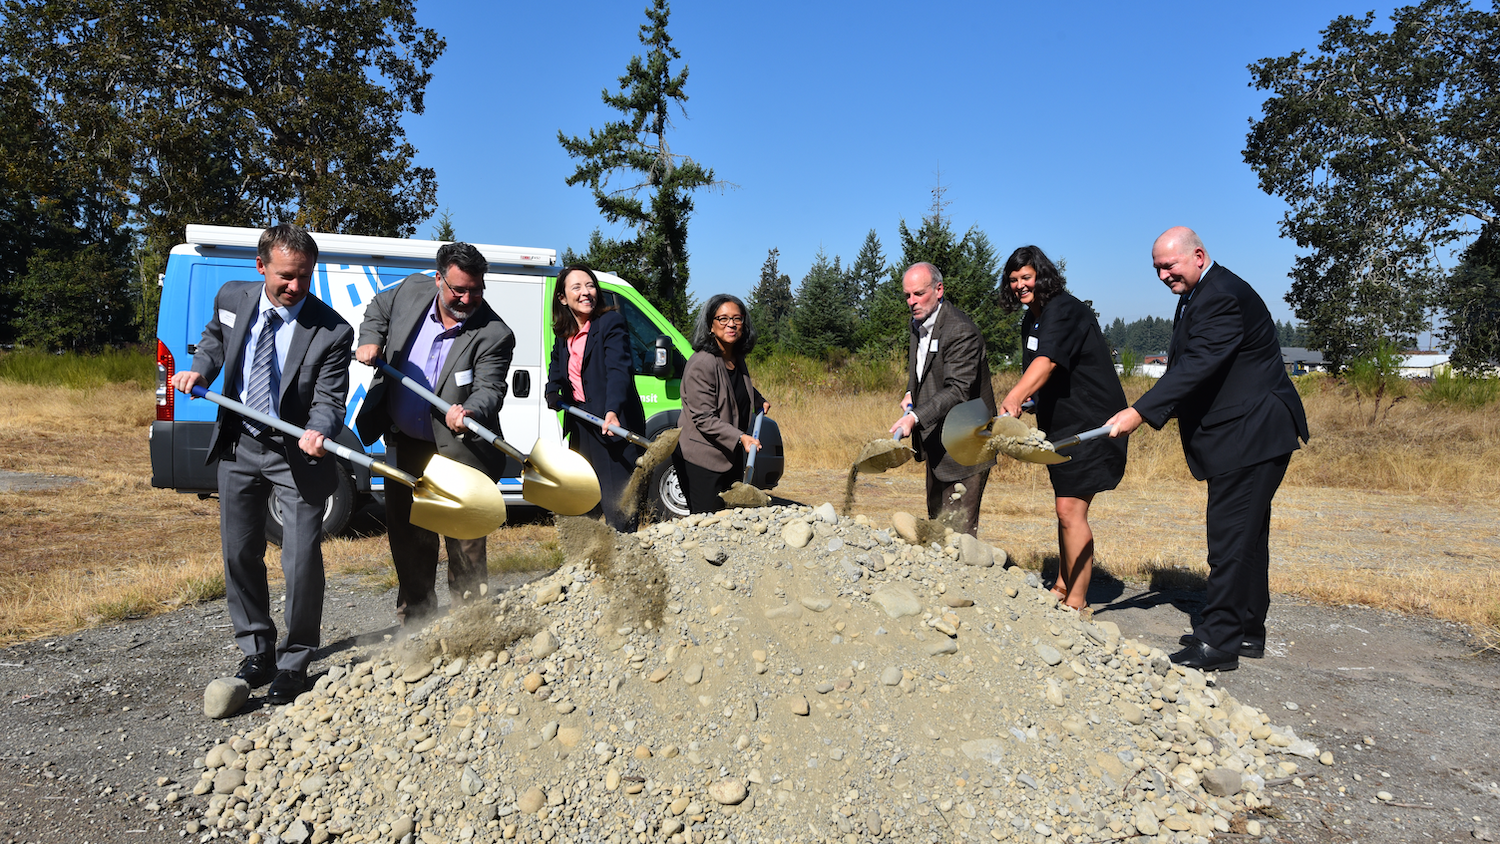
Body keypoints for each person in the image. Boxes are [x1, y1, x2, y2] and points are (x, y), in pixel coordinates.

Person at [1105, 227, 1309, 671]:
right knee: (1248, 539)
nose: (1162, 275)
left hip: (1251, 433)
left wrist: (1139, 412)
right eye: (1157, 268)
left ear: (1198, 256)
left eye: (1169, 265)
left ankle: (1218, 643)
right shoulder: (1200, 293)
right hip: (1247, 432)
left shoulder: (1220, 296)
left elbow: (1197, 366)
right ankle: (1247, 631)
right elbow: (1196, 367)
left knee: (1230, 539)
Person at [169, 224, 353, 705]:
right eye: (286, 277)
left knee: (301, 562)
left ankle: (295, 660)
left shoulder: (332, 330)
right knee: (239, 552)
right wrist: (201, 368)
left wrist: (321, 429)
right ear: (261, 267)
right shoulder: (233, 296)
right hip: (239, 445)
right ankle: (257, 649)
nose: (294, 287)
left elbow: (332, 399)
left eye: (304, 277)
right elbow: (215, 340)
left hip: (294, 455)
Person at [354, 242, 515, 625]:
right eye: (458, 289)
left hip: (460, 452)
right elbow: (378, 308)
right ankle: (417, 621)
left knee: (466, 543)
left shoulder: (494, 333)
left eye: (475, 289)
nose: (467, 298)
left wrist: (472, 409)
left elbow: (491, 387)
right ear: (438, 278)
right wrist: (372, 337)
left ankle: (470, 623)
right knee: (409, 537)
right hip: (406, 444)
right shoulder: (411, 290)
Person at [998, 246, 1129, 612]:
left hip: (1094, 425)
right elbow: (1052, 377)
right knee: (1064, 510)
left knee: (1070, 510)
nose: (1021, 286)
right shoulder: (1032, 320)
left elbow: (1048, 361)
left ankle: (1076, 603)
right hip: (1061, 427)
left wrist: (1014, 394)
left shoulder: (1064, 309)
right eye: (1013, 280)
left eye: (1027, 277)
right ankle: (1060, 585)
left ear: (1042, 277)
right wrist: (1028, 402)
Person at [888, 262, 996, 537]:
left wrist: (914, 417)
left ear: (939, 289)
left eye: (918, 294)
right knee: (936, 526)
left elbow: (958, 389)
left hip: (966, 445)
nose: (912, 302)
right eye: (907, 296)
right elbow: (919, 370)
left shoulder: (961, 331)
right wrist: (910, 392)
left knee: (957, 534)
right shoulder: (918, 324)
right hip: (937, 440)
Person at [544, 265, 647, 531]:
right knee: (582, 503)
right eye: (576, 287)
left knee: (618, 508)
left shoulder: (609, 322)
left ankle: (625, 560)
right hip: (581, 427)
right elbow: (557, 367)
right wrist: (553, 390)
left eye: (590, 285)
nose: (585, 292)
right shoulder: (563, 332)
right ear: (563, 298)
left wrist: (612, 410)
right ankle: (588, 565)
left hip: (612, 427)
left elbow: (618, 369)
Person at [675, 294, 770, 514]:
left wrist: (758, 400)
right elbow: (703, 418)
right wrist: (740, 437)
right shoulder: (702, 363)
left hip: (729, 454)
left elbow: (733, 388)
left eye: (737, 319)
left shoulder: (735, 356)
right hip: (701, 458)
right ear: (710, 325)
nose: (731, 324)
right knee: (708, 523)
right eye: (723, 319)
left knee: (728, 519)